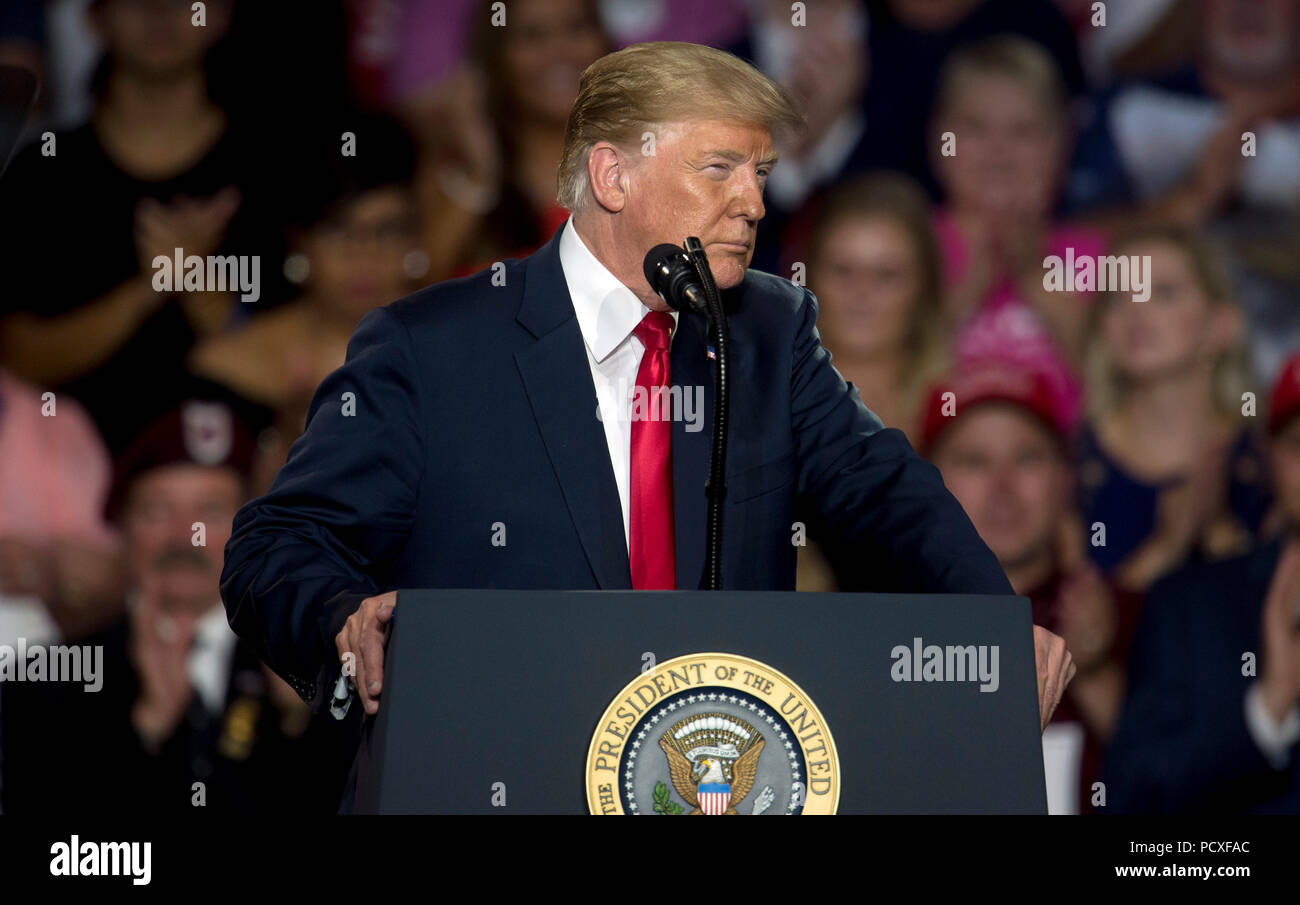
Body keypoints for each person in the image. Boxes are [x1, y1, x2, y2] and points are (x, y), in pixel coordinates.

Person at [220, 42, 1075, 737]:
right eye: (720, 169)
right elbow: (275, 541)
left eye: (762, 173)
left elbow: (885, 492)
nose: (753, 203)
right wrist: (341, 620)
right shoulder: (434, 349)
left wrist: (994, 627)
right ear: (612, 176)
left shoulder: (768, 332)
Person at [0, 398, 357, 813]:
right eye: (156, 510)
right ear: (122, 527)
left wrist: (298, 722)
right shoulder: (45, 684)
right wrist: (149, 732)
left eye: (210, 511)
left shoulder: (315, 672)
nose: (185, 537)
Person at [919, 363, 1142, 814]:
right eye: (974, 462)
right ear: (926, 484)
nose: (1003, 487)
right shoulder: (882, 627)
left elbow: (1190, 784)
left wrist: (1095, 672)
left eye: (1027, 458)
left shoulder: (1135, 615)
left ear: (1066, 478)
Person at [1103, 352, 1300, 813]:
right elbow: (1130, 797)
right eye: (1299, 441)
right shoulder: (1189, 606)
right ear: (1268, 457)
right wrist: (1267, 711)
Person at [1074, 225, 1270, 593]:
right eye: (1118, 297)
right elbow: (1062, 634)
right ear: (1103, 328)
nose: (1135, 311)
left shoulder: (1269, 458)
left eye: (1163, 293)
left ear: (1221, 325)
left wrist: (1220, 533)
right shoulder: (1070, 465)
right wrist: (1166, 548)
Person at [929, 36, 1105, 436]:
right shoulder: (904, 245)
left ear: (1062, 143)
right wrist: (968, 292)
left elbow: (1126, 396)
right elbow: (875, 385)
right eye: (975, 128)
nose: (999, 151)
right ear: (939, 140)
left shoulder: (1095, 257)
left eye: (1024, 132)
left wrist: (1034, 277)